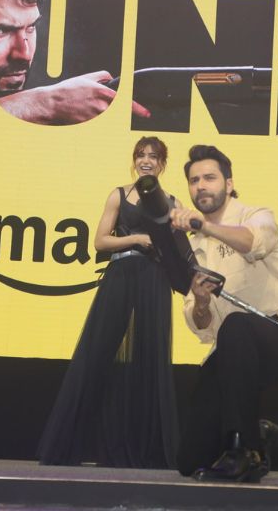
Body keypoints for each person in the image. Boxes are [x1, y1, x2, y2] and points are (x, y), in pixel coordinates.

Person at [37, 136, 179, 468]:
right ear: (134, 160)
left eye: (153, 156)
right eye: (141, 155)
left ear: (162, 164)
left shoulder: (172, 202)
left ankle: (147, 450)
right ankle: (72, 446)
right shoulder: (119, 195)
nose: (146, 161)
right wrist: (137, 238)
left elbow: (175, 249)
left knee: (150, 358)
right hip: (121, 275)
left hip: (154, 281)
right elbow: (100, 242)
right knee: (97, 352)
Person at [169, 145, 278, 482]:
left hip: (276, 337)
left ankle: (245, 450)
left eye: (209, 178)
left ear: (228, 184)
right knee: (189, 461)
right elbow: (201, 326)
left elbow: (253, 242)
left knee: (237, 324)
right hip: (229, 352)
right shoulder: (192, 246)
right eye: (194, 180)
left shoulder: (256, 215)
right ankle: (259, 432)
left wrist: (205, 225)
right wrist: (200, 302)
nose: (201, 185)